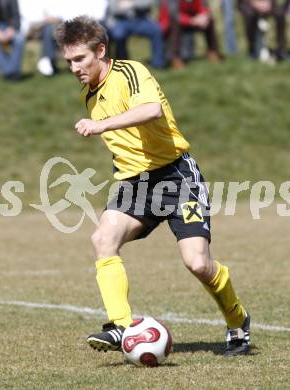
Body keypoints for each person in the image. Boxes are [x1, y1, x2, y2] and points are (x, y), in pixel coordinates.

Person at [55, 15, 251, 357]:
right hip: (136, 184)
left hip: (178, 177)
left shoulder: (130, 72)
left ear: (100, 50)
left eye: (80, 59)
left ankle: (237, 320)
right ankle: (120, 325)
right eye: (69, 61)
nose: (74, 68)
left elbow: (151, 110)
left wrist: (101, 126)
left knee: (198, 264)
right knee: (103, 237)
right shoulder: (90, 96)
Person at [159, 0, 222, 69]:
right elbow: (174, 15)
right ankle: (175, 58)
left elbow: (203, 7)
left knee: (209, 21)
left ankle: (213, 51)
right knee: (175, 25)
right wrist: (191, 20)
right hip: (173, 23)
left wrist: (203, 16)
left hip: (192, 20)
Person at [105, 0, 166, 69]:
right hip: (121, 20)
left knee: (156, 30)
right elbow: (113, 9)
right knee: (118, 34)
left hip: (141, 19)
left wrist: (131, 4)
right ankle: (123, 61)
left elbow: (148, 3)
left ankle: (158, 62)